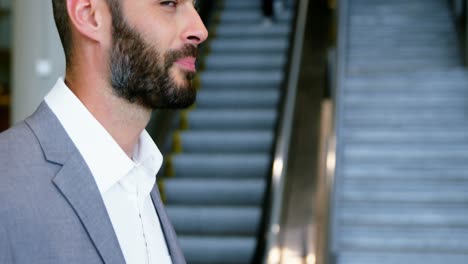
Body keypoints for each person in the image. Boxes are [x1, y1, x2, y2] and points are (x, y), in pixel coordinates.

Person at [0, 0, 207, 263]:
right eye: (169, 3)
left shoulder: (141, 176)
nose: (200, 29)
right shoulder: (6, 183)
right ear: (89, 15)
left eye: (194, 5)